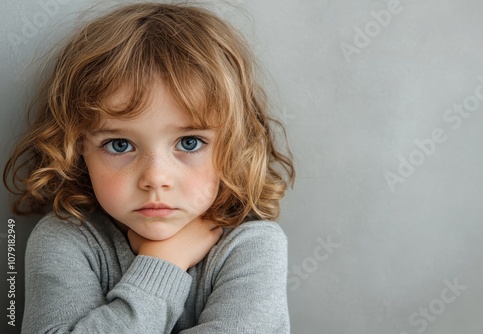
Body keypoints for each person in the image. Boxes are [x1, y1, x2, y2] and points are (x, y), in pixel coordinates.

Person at [3, 2, 295, 333]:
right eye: (120, 145)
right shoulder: (66, 241)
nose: (155, 178)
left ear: (233, 146)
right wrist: (163, 264)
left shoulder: (252, 248)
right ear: (79, 148)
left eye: (189, 143)